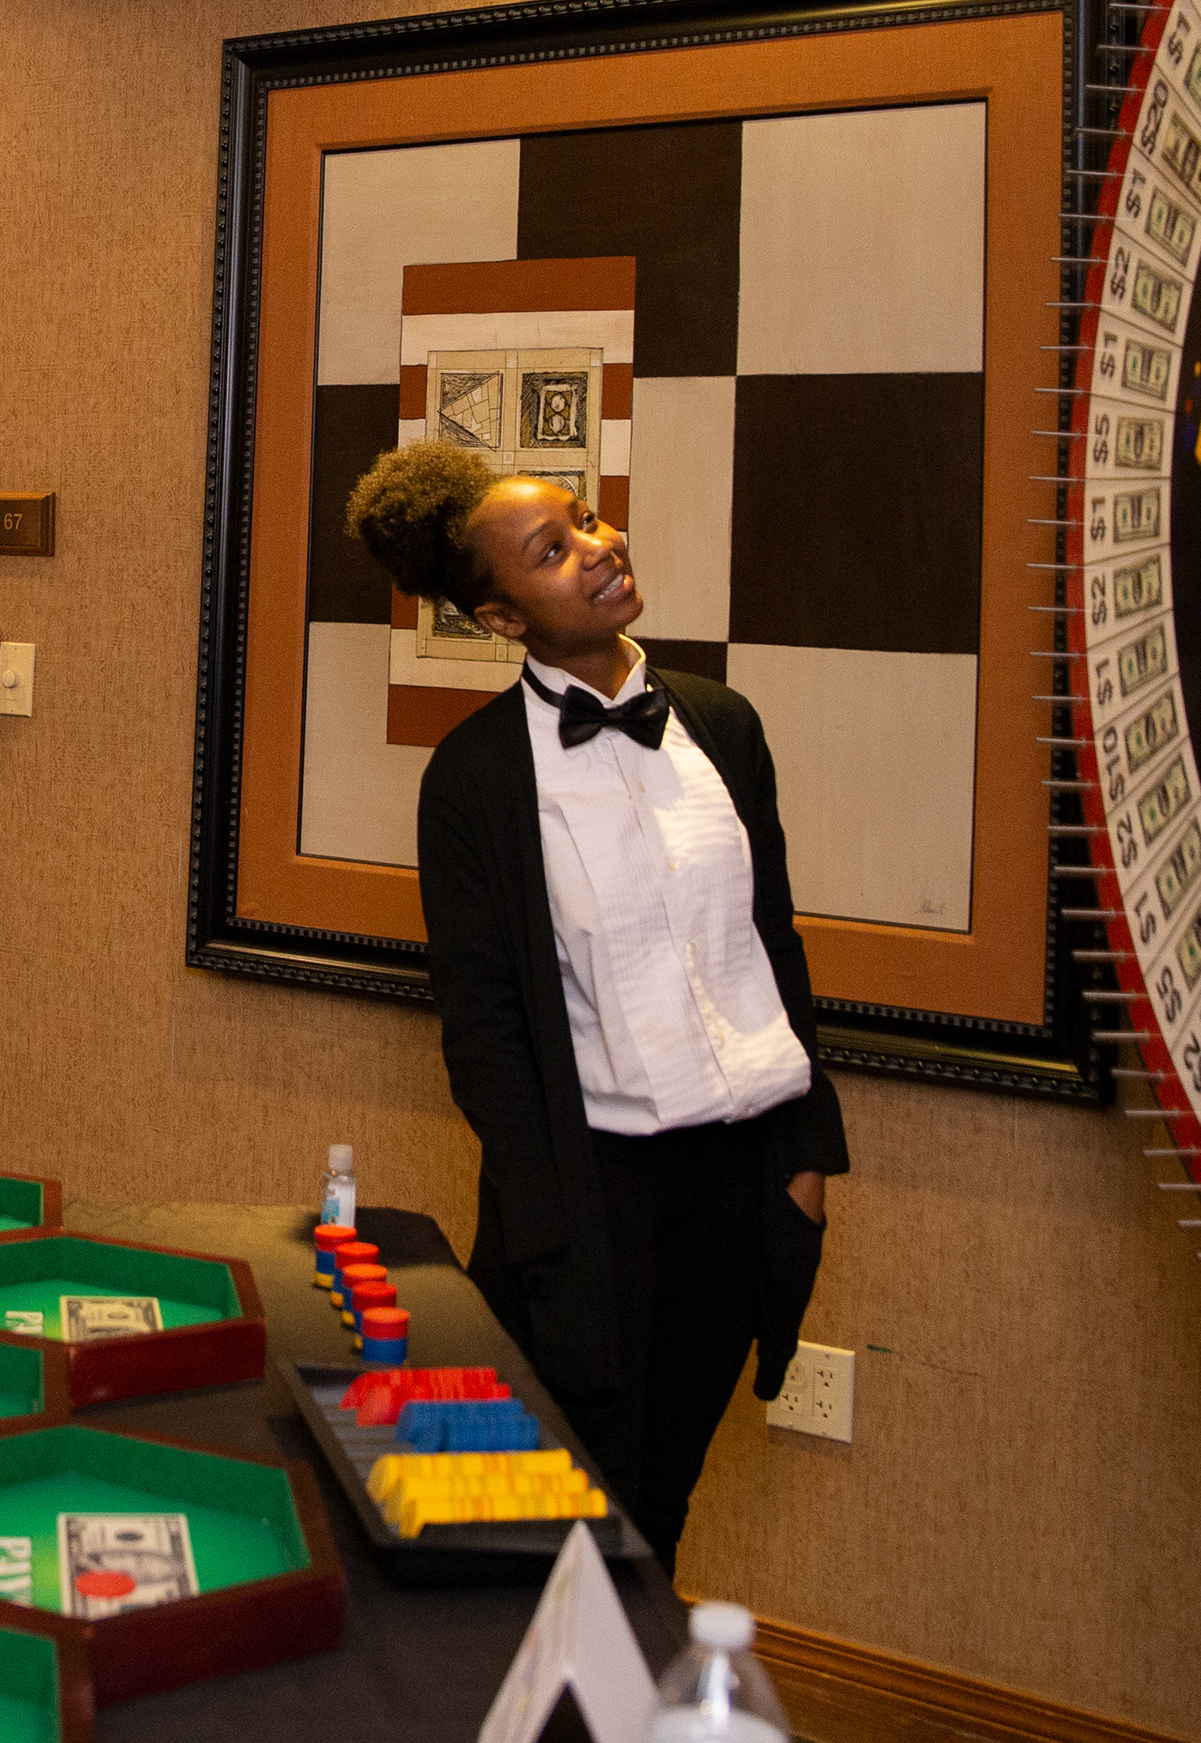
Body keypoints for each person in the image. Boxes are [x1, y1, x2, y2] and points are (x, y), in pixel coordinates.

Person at [344, 444, 845, 1572]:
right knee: (556, 1509)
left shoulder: (725, 724)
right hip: (592, 1198)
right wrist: (553, 1230)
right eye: (552, 551)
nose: (598, 546)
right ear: (502, 618)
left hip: (740, 1183)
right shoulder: (473, 778)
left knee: (661, 1505)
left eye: (586, 518)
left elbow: (773, 945)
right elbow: (484, 1035)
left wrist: (809, 1155)